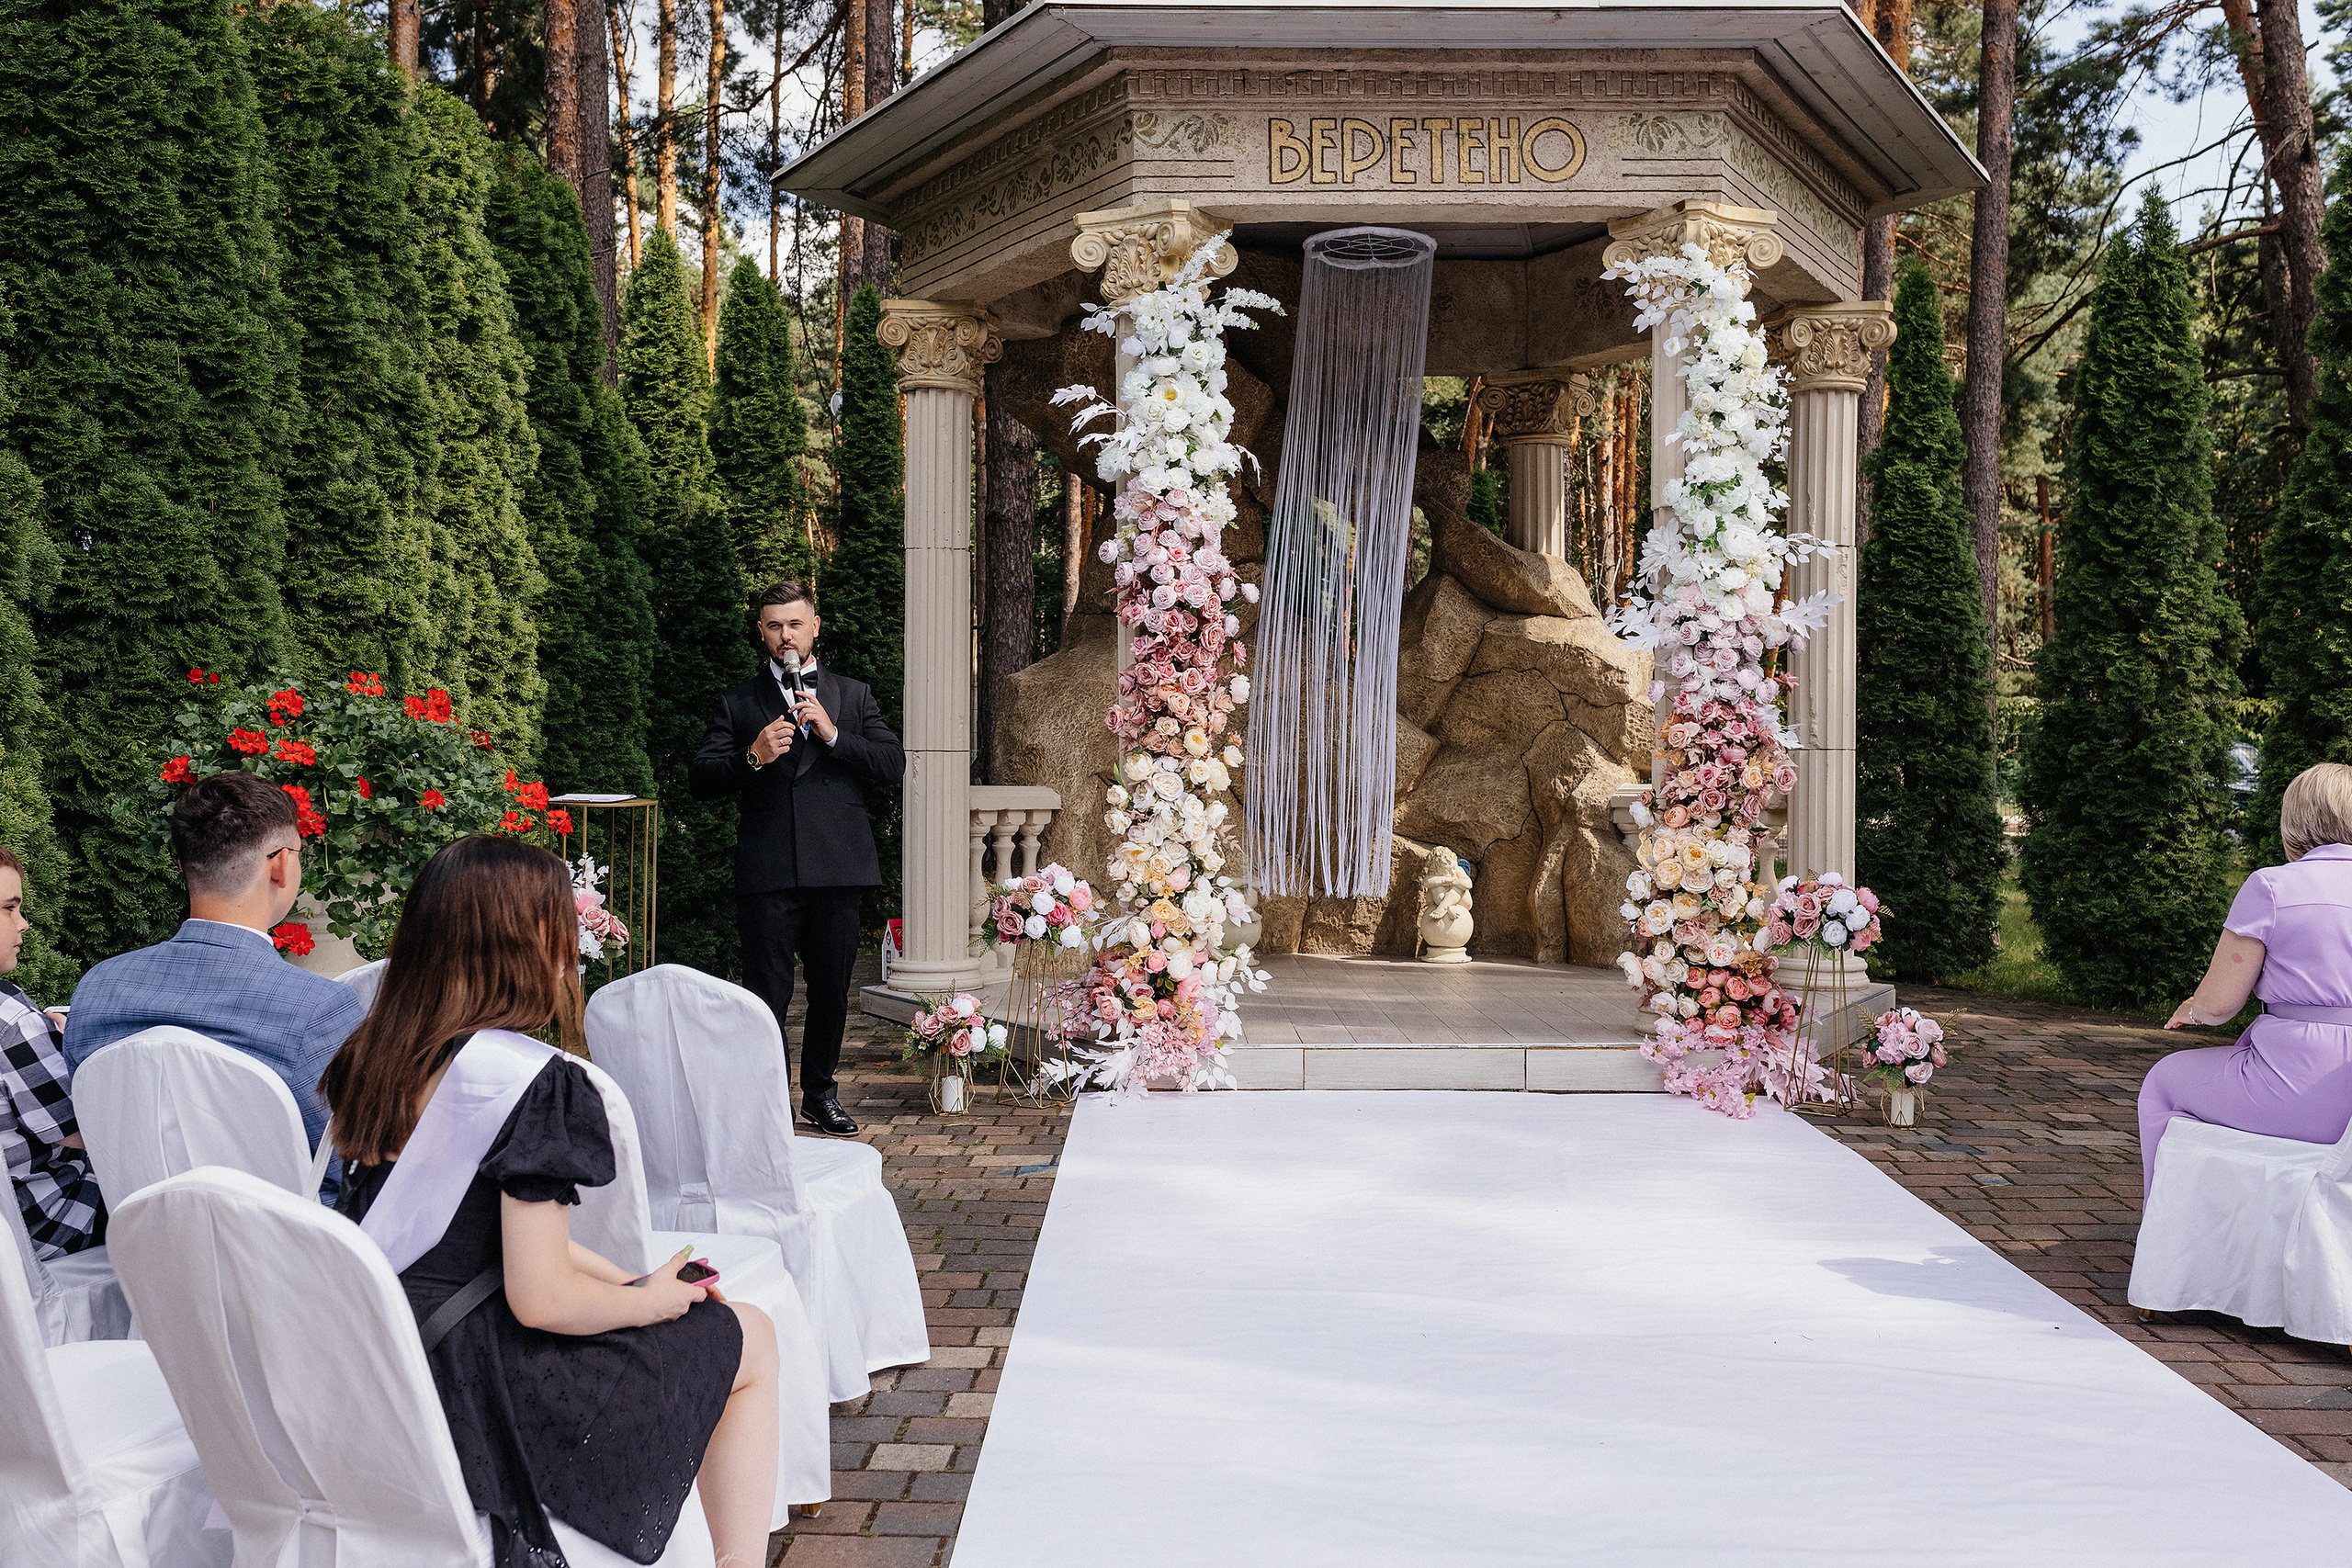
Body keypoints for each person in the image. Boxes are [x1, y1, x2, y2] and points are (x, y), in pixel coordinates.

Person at [322, 834, 778, 1568]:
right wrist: (653, 1303)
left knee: (703, 1319)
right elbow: (539, 1299)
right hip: (480, 1390)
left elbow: (485, 1245)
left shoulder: (371, 1057)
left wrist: (631, 1282)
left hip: (383, 1357)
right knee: (750, 1334)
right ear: (526, 943)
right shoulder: (534, 1084)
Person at [63, 771, 364, 1192]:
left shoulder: (99, 987)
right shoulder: (319, 1009)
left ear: (184, 866)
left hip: (142, 1239)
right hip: (287, 1246)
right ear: (280, 863)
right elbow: (353, 1163)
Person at [690, 580, 904, 1136]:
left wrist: (835, 735)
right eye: (774, 625)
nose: (785, 635)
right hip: (769, 869)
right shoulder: (738, 701)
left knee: (832, 988)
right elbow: (702, 777)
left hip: (838, 865)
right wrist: (751, 758)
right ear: (761, 631)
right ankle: (769, 1102)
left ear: (814, 627)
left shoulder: (852, 696)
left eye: (795, 624)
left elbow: (891, 765)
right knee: (768, 993)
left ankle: (820, 1095)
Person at [2144, 762, 2352, 1194]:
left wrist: (2193, 1009)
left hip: (2297, 1085)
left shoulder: (2272, 887)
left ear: (2296, 820)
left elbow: (2218, 1006)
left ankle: (2174, 1238)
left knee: (2164, 1082)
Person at [0, 848, 104, 1258]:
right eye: (8, 908)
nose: (23, 924)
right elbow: (85, 1132)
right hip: (43, 1228)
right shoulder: (12, 1021)